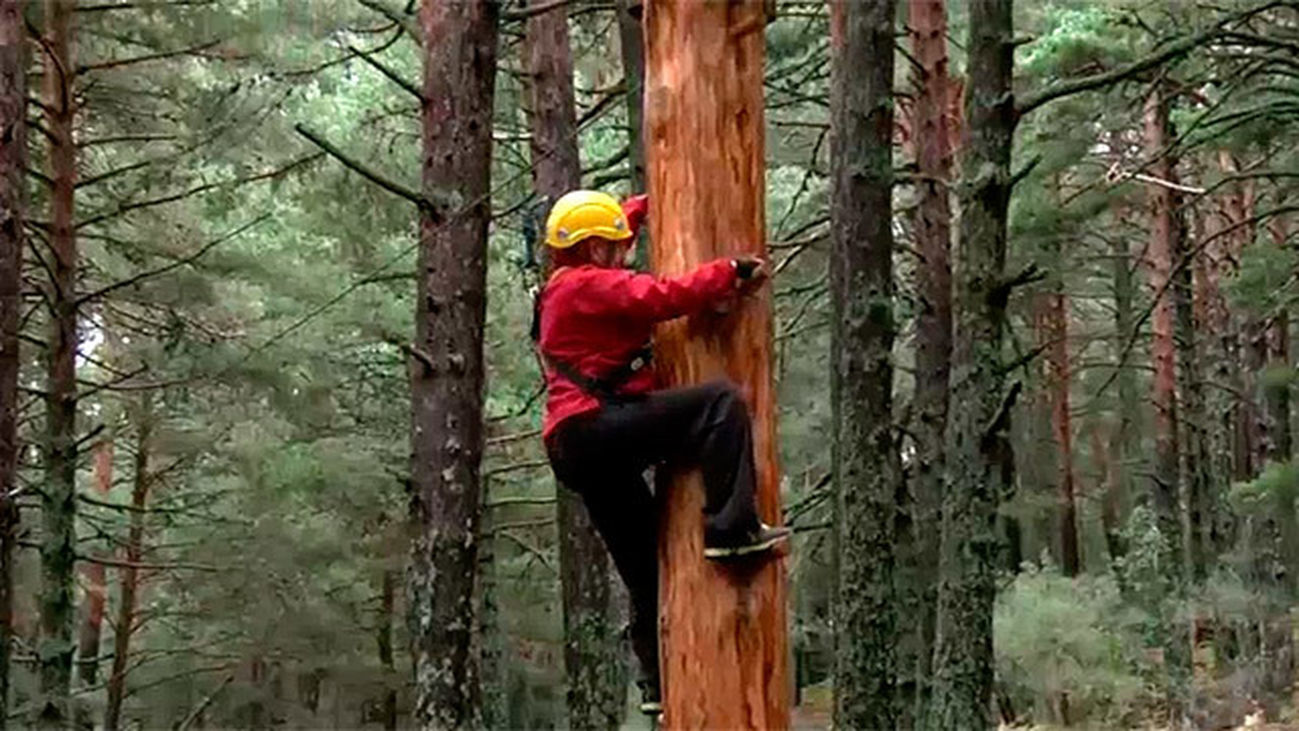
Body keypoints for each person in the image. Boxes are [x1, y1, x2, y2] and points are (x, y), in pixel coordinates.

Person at [533, 189, 789, 716]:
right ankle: (732, 531)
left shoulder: (567, 281)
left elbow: (609, 235)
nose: (622, 251)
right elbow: (660, 297)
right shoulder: (587, 285)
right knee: (719, 403)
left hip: (581, 445)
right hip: (596, 428)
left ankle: (656, 680)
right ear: (595, 248)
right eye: (614, 244)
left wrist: (645, 204)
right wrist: (727, 273)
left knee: (646, 565)